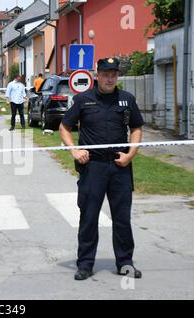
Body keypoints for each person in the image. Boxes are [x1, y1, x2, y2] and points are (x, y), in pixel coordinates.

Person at [59, 57, 145, 281]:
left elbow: (136, 128)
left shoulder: (127, 99)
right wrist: (74, 151)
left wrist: (130, 155)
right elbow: (64, 127)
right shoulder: (82, 100)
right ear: (97, 75)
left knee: (122, 218)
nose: (110, 78)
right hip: (93, 167)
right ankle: (85, 264)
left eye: (114, 74)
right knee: (89, 217)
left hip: (119, 165)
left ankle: (125, 262)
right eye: (106, 74)